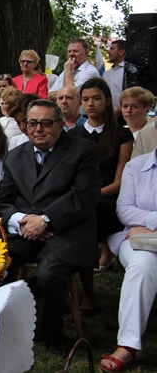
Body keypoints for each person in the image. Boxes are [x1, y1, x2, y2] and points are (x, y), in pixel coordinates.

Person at [0, 99, 100, 354]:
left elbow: (84, 196)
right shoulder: (15, 156)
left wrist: (46, 219)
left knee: (47, 276)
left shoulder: (84, 150)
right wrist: (21, 220)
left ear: (60, 125)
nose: (38, 129)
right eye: (32, 123)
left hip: (65, 233)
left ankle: (51, 334)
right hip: (24, 233)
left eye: (46, 123)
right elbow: (2, 202)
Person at [68, 78, 133, 316]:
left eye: (96, 98)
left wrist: (89, 197)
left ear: (107, 100)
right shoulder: (73, 135)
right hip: (78, 197)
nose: (91, 104)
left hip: (106, 200)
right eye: (85, 99)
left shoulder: (122, 135)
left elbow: (119, 182)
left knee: (86, 220)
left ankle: (88, 293)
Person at [99, 120, 157, 373]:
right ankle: (128, 345)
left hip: (143, 232)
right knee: (142, 265)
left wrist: (150, 223)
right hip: (137, 239)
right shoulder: (136, 167)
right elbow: (124, 210)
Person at [102, 39, 126, 112]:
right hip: (105, 114)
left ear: (121, 52)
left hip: (123, 114)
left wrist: (116, 115)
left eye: (112, 49)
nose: (108, 52)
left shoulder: (126, 72)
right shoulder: (106, 74)